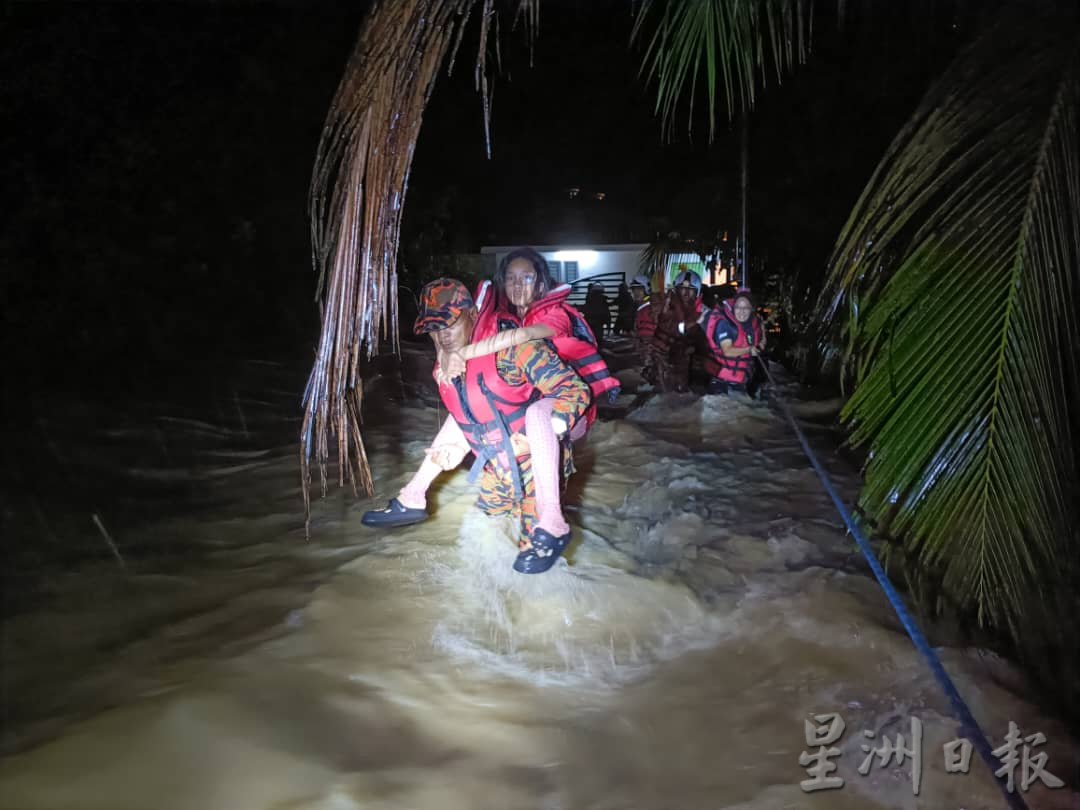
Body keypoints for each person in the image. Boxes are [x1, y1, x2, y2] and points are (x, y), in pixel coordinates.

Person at [361, 278, 592, 574]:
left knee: (536, 570)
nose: (443, 336)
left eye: (450, 324)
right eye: (434, 328)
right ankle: (413, 496)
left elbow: (575, 391)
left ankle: (554, 524)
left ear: (473, 315)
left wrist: (545, 433)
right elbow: (475, 412)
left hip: (538, 469)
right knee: (485, 548)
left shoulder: (515, 349)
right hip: (497, 467)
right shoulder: (450, 364)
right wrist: (454, 449)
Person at [439, 247, 620, 425]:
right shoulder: (503, 318)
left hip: (570, 400)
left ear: (540, 284)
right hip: (527, 396)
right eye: (510, 278)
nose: (517, 285)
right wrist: (445, 357)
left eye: (526, 278)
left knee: (536, 416)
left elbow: (524, 335)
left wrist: (463, 353)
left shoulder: (556, 315)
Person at [700, 289, 766, 397]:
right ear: (734, 308)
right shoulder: (724, 324)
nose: (742, 311)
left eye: (746, 308)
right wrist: (749, 349)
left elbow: (762, 343)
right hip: (721, 383)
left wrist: (761, 341)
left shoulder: (754, 325)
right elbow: (727, 351)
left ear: (751, 309)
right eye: (738, 307)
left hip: (741, 383)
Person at [654, 270, 703, 392]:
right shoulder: (669, 305)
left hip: (684, 361)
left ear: (696, 292)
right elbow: (670, 327)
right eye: (683, 288)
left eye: (690, 289)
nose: (686, 293)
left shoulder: (698, 310)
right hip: (665, 358)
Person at [583, 281, 611, 347]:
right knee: (598, 340)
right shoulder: (602, 299)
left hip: (590, 322)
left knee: (590, 340)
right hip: (598, 323)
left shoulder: (589, 298)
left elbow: (586, 309)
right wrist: (608, 323)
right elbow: (606, 312)